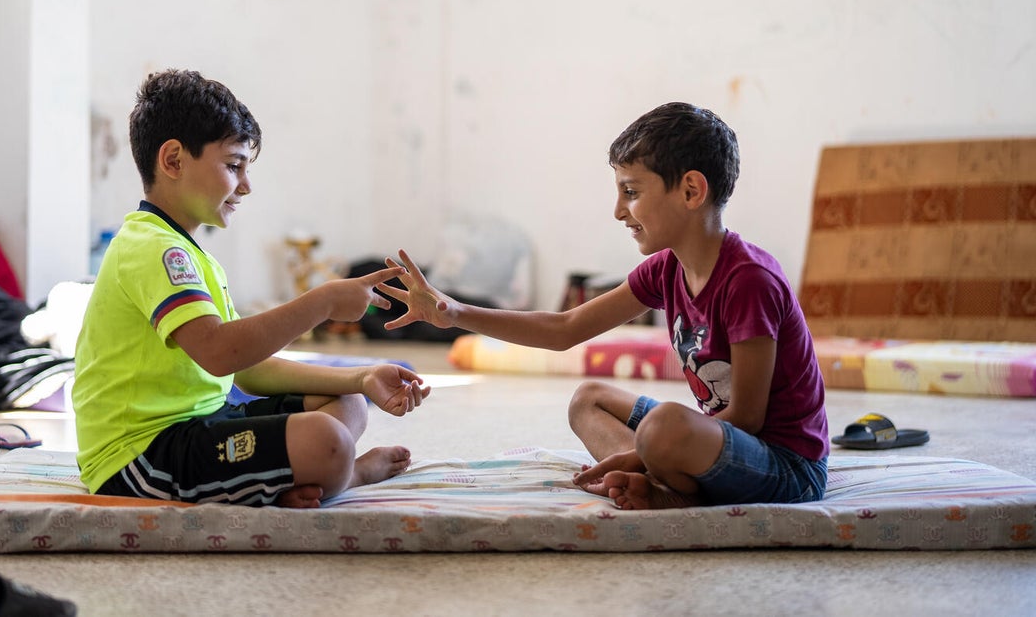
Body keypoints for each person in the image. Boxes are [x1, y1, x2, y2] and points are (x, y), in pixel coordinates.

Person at [379, 102, 828, 510]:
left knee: (666, 426)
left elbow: (748, 417)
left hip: (786, 469)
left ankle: (668, 492)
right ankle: (661, 480)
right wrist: (453, 313)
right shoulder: (666, 269)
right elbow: (564, 328)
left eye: (631, 192)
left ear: (691, 191)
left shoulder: (750, 279)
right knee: (588, 400)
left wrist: (640, 452)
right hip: (717, 447)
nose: (618, 211)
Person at [73, 69, 430, 509]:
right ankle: (348, 473)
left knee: (349, 403)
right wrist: (324, 301)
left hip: (201, 422)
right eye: (233, 165)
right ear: (173, 161)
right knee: (327, 441)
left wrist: (361, 376)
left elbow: (245, 369)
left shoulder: (189, 253)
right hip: (140, 456)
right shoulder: (154, 249)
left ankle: (290, 481)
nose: (246, 185)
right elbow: (221, 353)